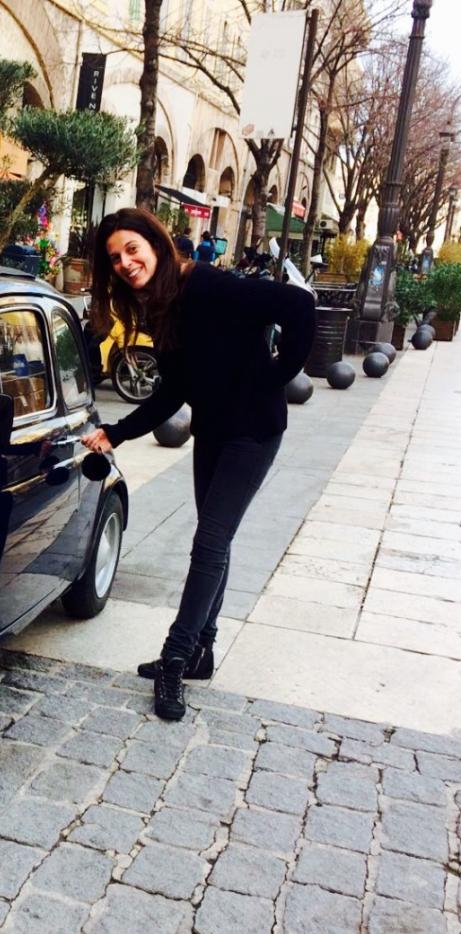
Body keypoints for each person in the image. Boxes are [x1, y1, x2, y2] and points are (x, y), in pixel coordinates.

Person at [80, 208, 314, 721]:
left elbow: (298, 304)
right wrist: (116, 432)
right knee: (216, 540)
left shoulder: (207, 285)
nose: (125, 263)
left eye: (132, 250)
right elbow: (174, 392)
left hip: (253, 432)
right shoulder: (160, 304)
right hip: (212, 431)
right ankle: (202, 651)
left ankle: (175, 658)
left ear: (156, 245)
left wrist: (277, 375)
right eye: (115, 258)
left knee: (208, 542)